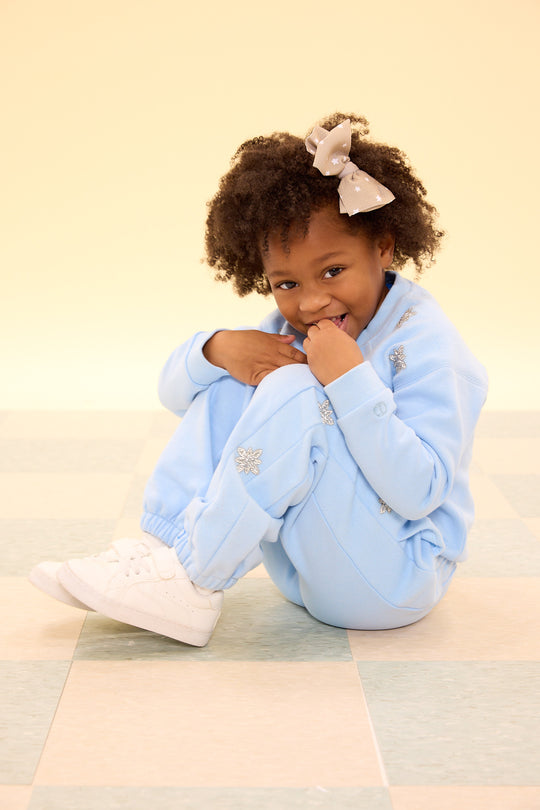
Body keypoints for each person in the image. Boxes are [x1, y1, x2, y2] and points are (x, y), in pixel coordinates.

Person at [29, 113, 488, 647]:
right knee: (243, 374)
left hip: (395, 574)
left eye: (333, 271)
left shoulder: (428, 346)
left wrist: (351, 381)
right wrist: (217, 348)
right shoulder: (295, 330)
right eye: (287, 282)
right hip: (306, 569)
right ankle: (166, 552)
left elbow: (421, 490)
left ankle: (194, 580)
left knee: (289, 388)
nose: (312, 301)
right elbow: (175, 395)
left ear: (383, 247)